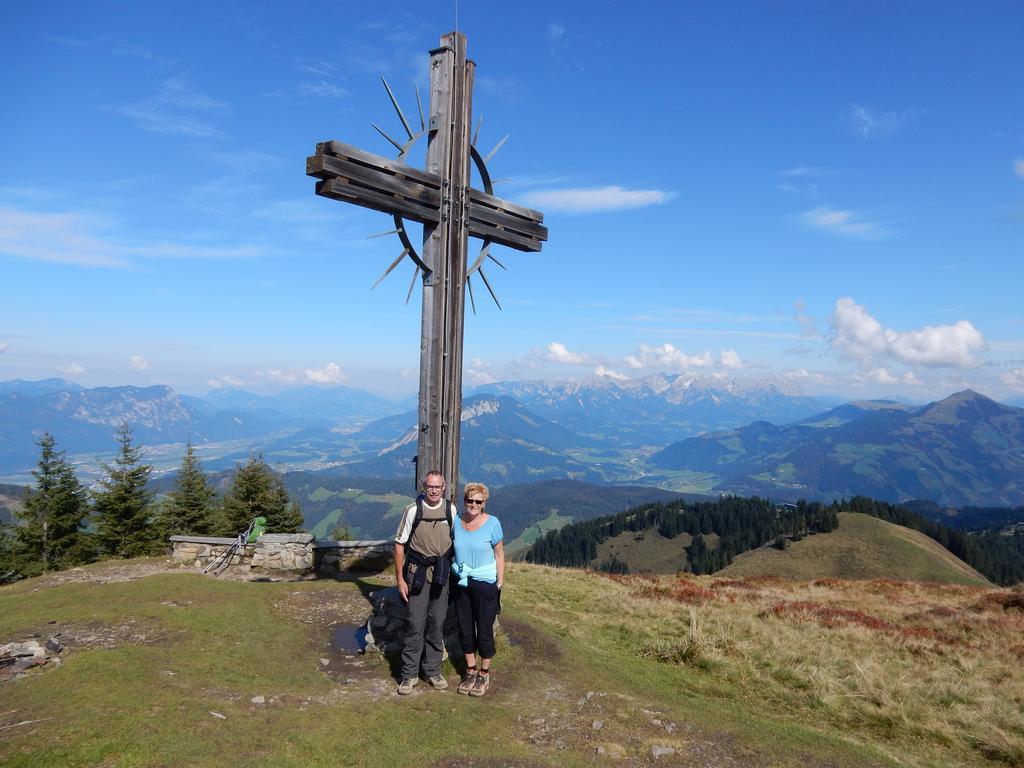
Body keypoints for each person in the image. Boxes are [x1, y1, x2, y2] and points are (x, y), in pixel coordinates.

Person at [393, 470, 455, 695]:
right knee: (415, 623)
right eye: (430, 486)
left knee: (437, 622)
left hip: (441, 574)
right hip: (417, 574)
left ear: (444, 487)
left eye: (437, 486)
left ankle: (433, 670)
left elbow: (458, 539)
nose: (434, 490)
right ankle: (409, 674)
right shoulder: (412, 510)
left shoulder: (451, 509)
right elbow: (399, 544)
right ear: (423, 487)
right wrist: (400, 579)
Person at [450, 482, 504, 697]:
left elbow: (499, 554)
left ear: (484, 503)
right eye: (469, 500)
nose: (473, 504)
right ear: (464, 501)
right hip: (461, 582)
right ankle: (470, 671)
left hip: (485, 583)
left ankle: (484, 673)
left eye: (478, 501)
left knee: (484, 629)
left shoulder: (493, 524)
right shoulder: (456, 521)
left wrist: (499, 583)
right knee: (464, 627)